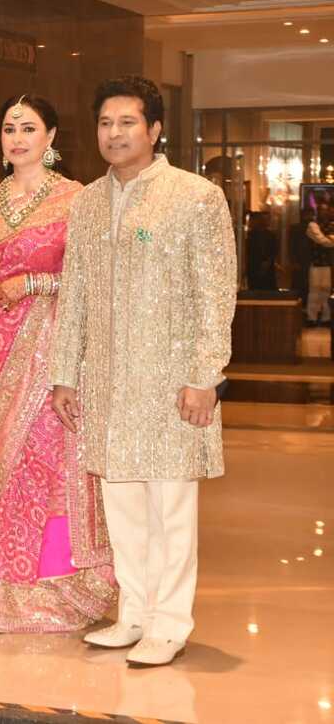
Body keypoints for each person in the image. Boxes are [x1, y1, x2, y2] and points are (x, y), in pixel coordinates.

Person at [50, 75, 235, 667]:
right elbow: (74, 292)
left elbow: (216, 293)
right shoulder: (86, 202)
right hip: (106, 381)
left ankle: (170, 621)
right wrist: (65, 374)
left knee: (170, 505)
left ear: (155, 130)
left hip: (171, 381)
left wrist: (206, 375)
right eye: (105, 123)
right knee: (122, 503)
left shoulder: (195, 197)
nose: (114, 133)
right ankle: (134, 611)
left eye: (128, 122)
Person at [0, 95, 115, 634]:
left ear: (51, 137)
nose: (17, 138)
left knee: (46, 461)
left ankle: (56, 586)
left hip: (51, 343)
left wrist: (32, 283)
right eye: (9, 128)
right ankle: (6, 588)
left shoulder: (77, 198)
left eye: (29, 128)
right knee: (7, 463)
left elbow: (89, 280)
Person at [305, 204, 334, 322]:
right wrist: (330, 240)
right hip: (315, 262)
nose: (325, 212)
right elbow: (320, 239)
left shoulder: (332, 225)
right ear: (318, 211)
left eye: (327, 210)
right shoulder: (312, 225)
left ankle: (326, 318)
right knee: (314, 290)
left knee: (327, 290)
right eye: (322, 210)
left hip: (328, 263)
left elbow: (323, 240)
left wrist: (327, 240)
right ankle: (312, 317)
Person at [244, 211, 278, 291]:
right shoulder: (250, 235)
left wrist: (268, 261)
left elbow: (274, 250)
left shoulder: (271, 235)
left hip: (267, 265)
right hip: (254, 265)